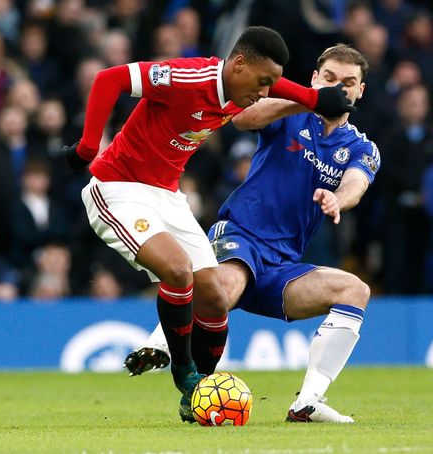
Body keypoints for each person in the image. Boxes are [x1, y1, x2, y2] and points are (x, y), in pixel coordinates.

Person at [60, 26, 355, 420]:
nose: (266, 92)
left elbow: (292, 89)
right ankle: (185, 375)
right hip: (119, 187)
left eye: (272, 83)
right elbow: (108, 79)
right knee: (178, 270)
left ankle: (198, 398)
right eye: (263, 82)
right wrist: (87, 145)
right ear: (238, 64)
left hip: (168, 195)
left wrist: (319, 98)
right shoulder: (187, 78)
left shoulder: (244, 86)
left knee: (214, 295)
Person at [125, 44, 379, 423]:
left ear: (360, 91)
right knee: (228, 283)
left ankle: (307, 403)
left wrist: (338, 200)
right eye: (330, 80)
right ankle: (161, 343)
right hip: (240, 235)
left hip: (281, 264)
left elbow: (357, 183)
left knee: (354, 290)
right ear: (314, 79)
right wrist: (308, 102)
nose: (339, 89)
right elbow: (244, 119)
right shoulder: (290, 113)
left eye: (349, 83)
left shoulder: (361, 146)